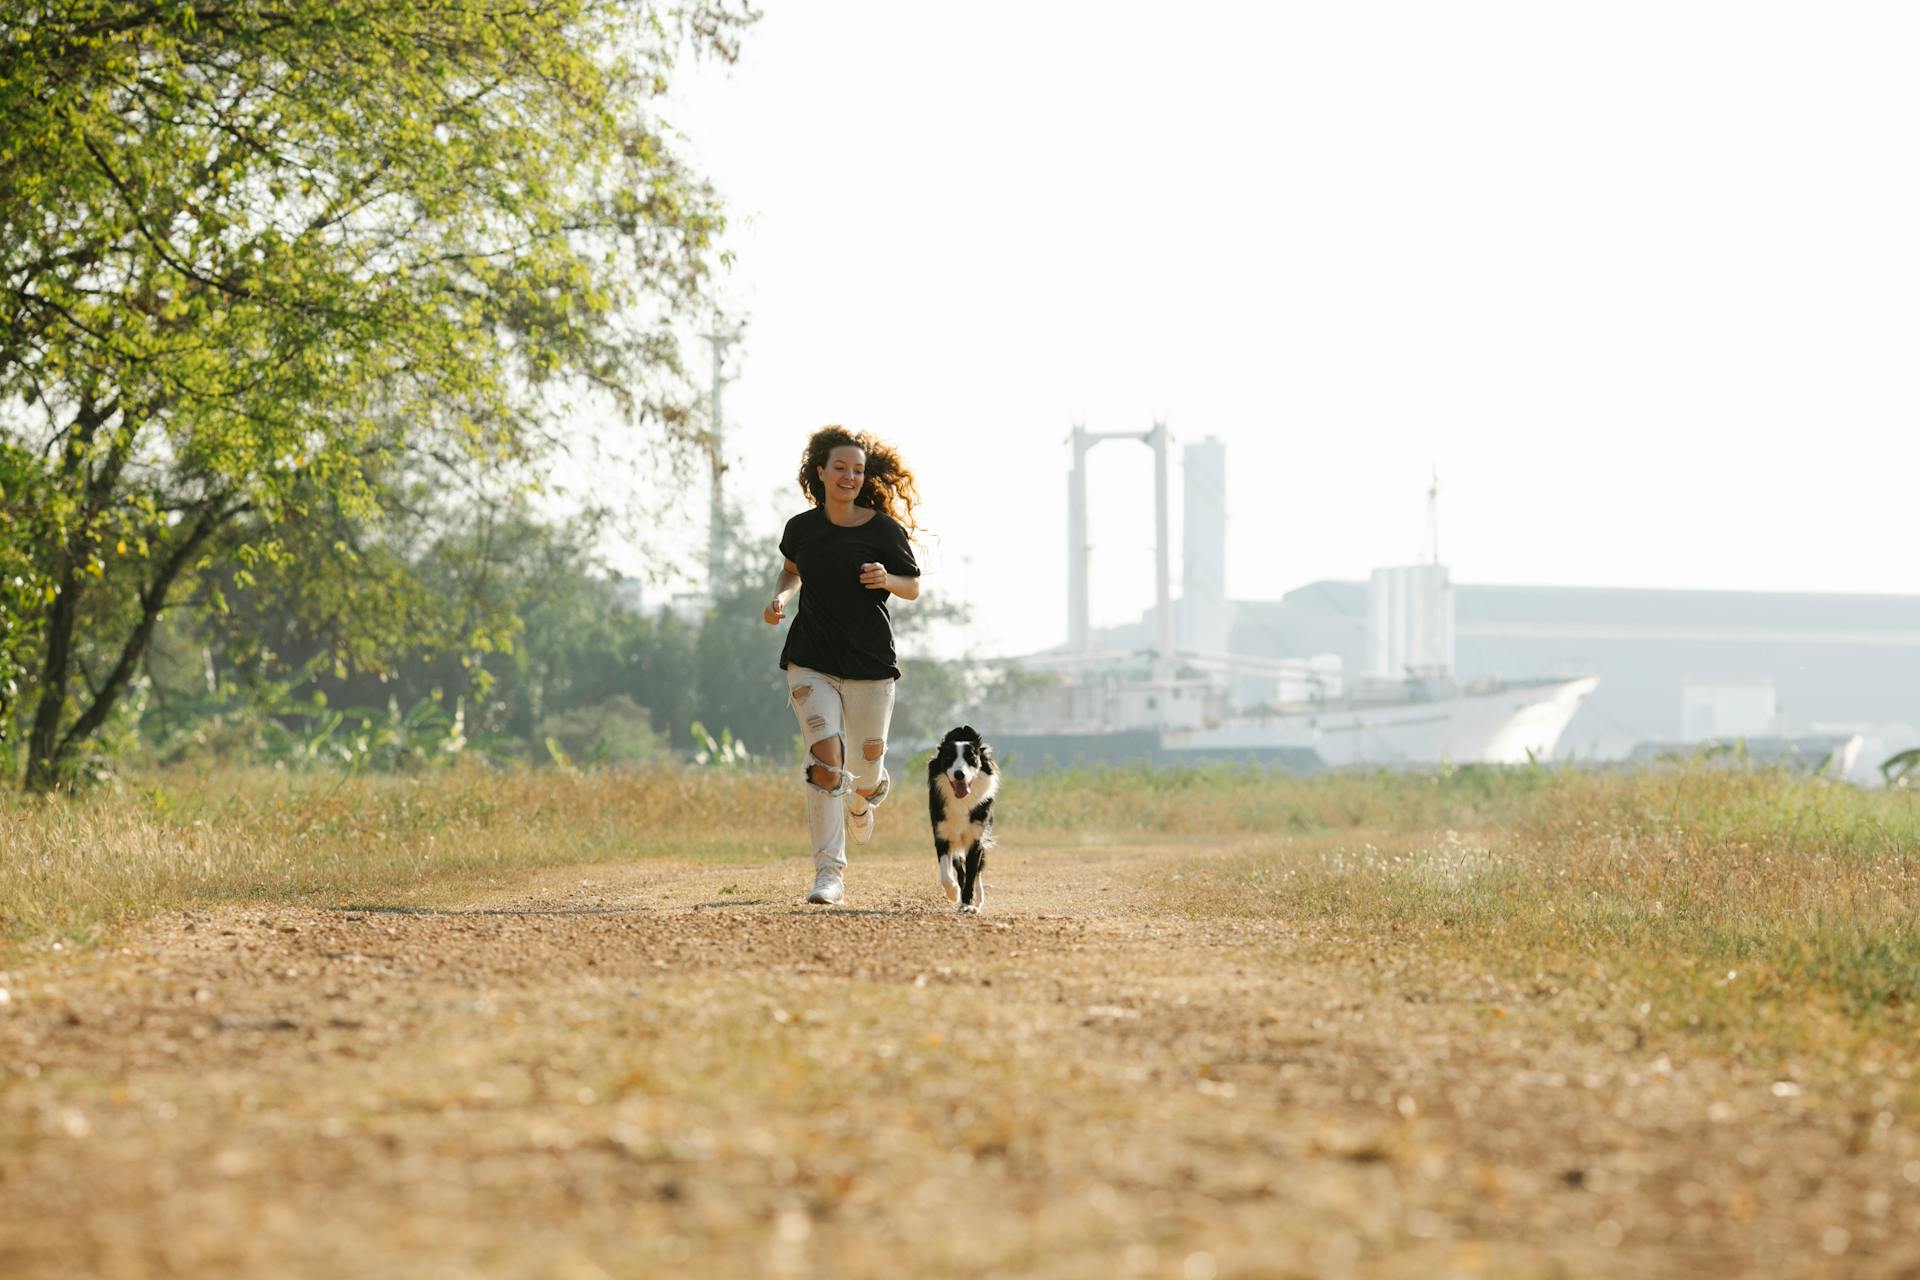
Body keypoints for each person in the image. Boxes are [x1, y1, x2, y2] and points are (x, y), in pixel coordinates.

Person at [763, 426, 922, 905]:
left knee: (865, 765)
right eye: (840, 468)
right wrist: (779, 597)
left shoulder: (882, 530)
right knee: (825, 762)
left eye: (856, 470)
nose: (849, 476)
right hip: (810, 659)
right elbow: (791, 570)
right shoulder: (802, 528)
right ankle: (828, 875)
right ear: (821, 472)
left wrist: (885, 577)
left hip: (870, 663)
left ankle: (865, 795)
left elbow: (912, 587)